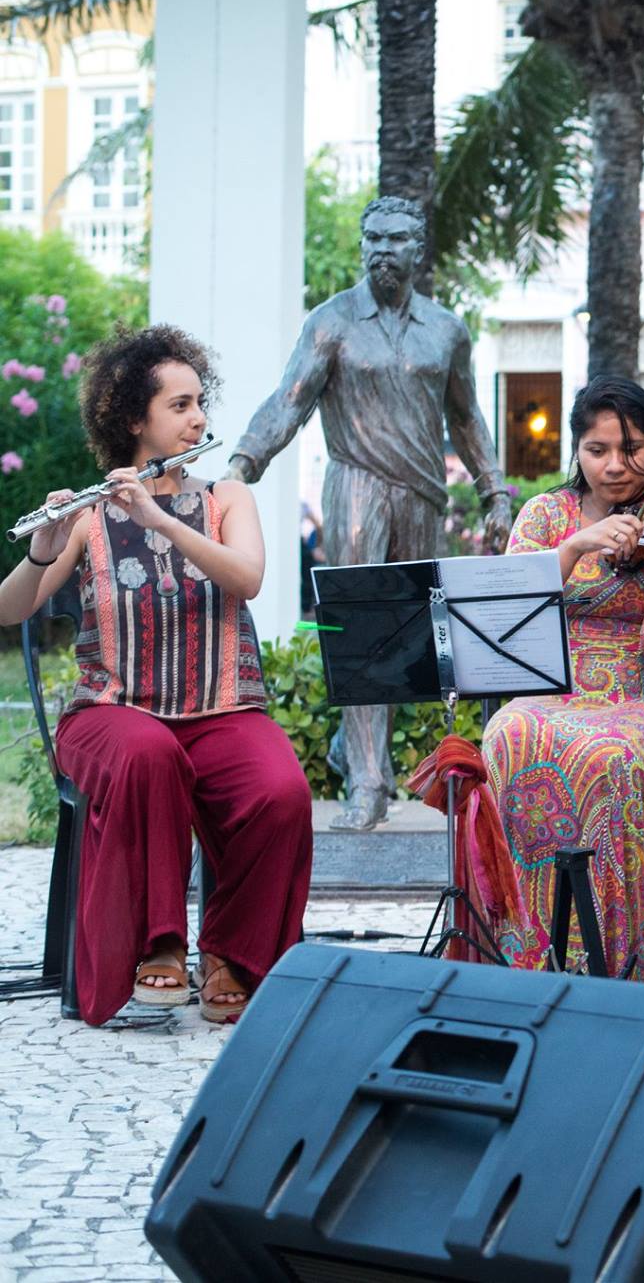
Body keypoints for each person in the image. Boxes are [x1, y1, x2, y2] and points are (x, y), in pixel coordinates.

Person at [0, 326, 313, 1026]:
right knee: (149, 753)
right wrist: (44, 547)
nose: (199, 417)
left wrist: (161, 519)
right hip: (111, 713)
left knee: (282, 791)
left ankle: (230, 953)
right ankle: (159, 944)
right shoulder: (89, 513)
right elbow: (10, 608)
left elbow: (248, 578)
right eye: (180, 405)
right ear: (134, 420)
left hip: (221, 709)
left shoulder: (228, 498)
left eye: (200, 402)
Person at [226, 195, 514, 831]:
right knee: (363, 628)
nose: (383, 249)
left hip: (422, 493)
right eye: (374, 238)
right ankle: (368, 782)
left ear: (418, 249)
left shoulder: (447, 330)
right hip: (355, 483)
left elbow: (466, 416)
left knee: (410, 637)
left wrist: (494, 489)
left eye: (396, 239)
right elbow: (290, 401)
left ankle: (348, 743)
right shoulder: (330, 322)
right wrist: (243, 464)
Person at [481, 378, 644, 978]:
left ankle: (609, 965)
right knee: (506, 736)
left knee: (608, 756)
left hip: (643, 697)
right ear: (577, 451)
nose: (615, 466)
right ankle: (522, 955)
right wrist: (574, 547)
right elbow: (507, 608)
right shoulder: (546, 514)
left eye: (633, 449)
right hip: (549, 690)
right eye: (598, 451)